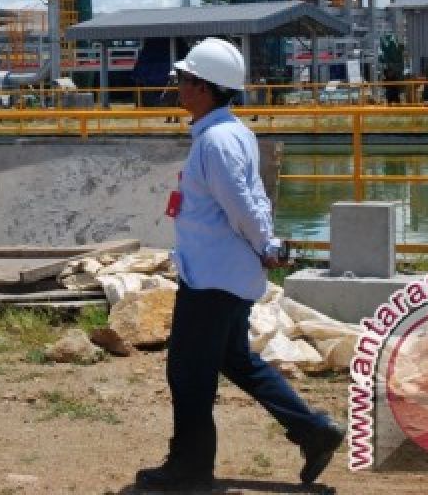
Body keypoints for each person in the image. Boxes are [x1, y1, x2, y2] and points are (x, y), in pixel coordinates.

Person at [135, 37, 345, 493]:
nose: (179, 86)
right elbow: (247, 203)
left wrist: (267, 245)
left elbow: (245, 206)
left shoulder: (216, 142)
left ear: (205, 88)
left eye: (186, 80)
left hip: (213, 277)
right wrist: (263, 246)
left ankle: (189, 468)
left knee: (188, 371)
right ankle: (313, 431)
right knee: (236, 360)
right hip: (221, 273)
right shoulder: (230, 133)